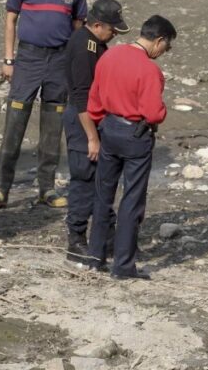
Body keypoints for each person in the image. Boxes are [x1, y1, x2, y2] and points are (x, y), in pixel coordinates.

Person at [0, 0, 88, 210]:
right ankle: (1, 189)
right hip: (28, 58)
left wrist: (75, 63)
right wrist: (8, 60)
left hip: (60, 61)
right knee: (14, 124)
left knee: (52, 127)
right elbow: (10, 19)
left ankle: (46, 189)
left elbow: (78, 27)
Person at [87, 15, 176, 280]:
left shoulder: (110, 56)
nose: (165, 51)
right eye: (167, 46)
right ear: (159, 40)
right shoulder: (149, 70)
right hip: (135, 135)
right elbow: (153, 113)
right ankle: (123, 266)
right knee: (132, 200)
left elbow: (94, 99)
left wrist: (102, 124)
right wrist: (162, 112)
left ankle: (95, 257)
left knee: (103, 194)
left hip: (109, 128)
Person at [63, 0, 130, 263]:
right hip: (83, 120)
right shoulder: (84, 46)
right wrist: (91, 137)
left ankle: (107, 238)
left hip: (94, 117)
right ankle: (76, 240)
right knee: (84, 178)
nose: (114, 35)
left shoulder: (95, 43)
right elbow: (81, 96)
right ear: (98, 25)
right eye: (112, 29)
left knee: (102, 177)